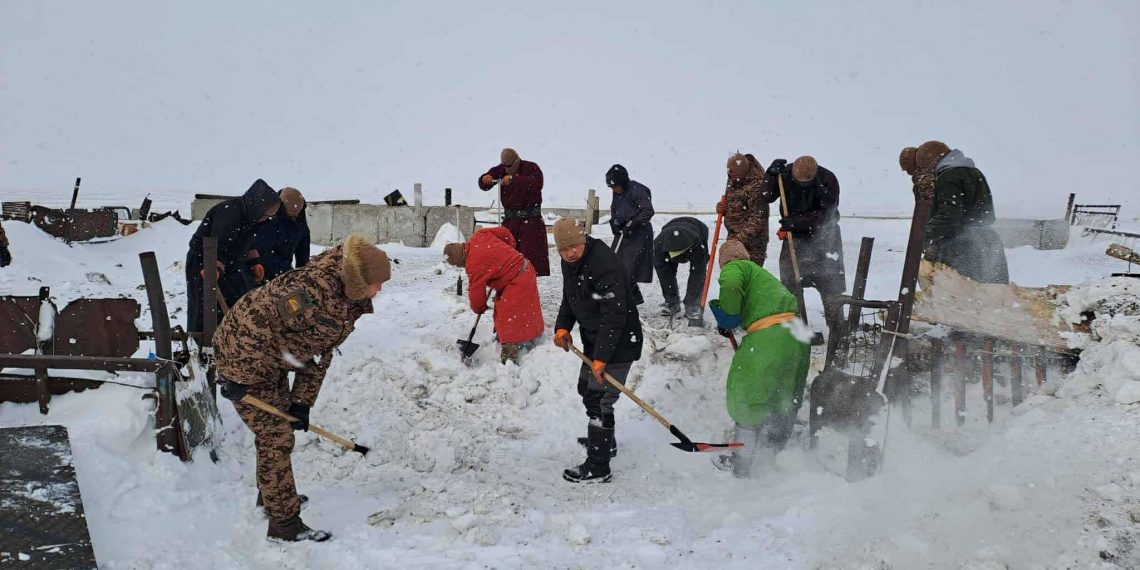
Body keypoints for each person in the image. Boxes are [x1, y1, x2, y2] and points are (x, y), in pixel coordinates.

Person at [214, 234, 391, 542]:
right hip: (246, 361)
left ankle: (272, 497)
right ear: (359, 281)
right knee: (276, 438)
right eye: (377, 284)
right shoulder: (308, 293)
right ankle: (284, 525)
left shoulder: (344, 294)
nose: (380, 290)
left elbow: (318, 352)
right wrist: (234, 376)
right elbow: (255, 322)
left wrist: (302, 403)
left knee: (278, 430)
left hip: (273, 359)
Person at [550, 218, 643, 483]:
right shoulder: (570, 262)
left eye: (574, 248)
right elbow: (570, 298)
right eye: (563, 250)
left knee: (599, 400)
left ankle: (599, 465)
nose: (569, 254)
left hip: (620, 341)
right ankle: (604, 441)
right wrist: (562, 328)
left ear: (584, 241)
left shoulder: (604, 264)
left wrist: (602, 358)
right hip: (595, 340)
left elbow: (615, 316)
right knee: (586, 389)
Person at [708, 240, 810, 478]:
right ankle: (775, 452)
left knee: (749, 392)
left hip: (770, 339)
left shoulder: (736, 266)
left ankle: (741, 463)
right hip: (796, 336)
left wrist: (728, 317)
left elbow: (731, 284)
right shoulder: (763, 277)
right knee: (783, 393)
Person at [763, 156, 847, 337]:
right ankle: (798, 331)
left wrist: (796, 222)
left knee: (830, 284)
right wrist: (770, 175)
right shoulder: (783, 175)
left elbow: (829, 212)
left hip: (825, 240)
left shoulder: (828, 179)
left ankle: (838, 333)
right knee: (790, 282)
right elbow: (766, 196)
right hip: (794, 239)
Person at [185, 179, 281, 336]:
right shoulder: (229, 214)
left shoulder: (250, 217)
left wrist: (254, 263)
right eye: (265, 214)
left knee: (239, 299)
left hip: (229, 264)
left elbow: (247, 243)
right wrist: (214, 268)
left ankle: (231, 337)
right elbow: (220, 244)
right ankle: (202, 344)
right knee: (204, 308)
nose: (266, 219)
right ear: (257, 206)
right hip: (204, 263)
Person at [444, 227, 544, 364]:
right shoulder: (479, 235)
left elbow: (476, 293)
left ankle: (510, 353)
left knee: (508, 315)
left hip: (518, 278)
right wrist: (507, 250)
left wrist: (479, 308)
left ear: (459, 261)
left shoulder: (473, 265)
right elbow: (505, 232)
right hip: (524, 269)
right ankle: (522, 336)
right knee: (513, 310)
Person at [915, 140, 1009, 284]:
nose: (927, 171)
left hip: (962, 246)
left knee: (958, 297)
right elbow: (985, 211)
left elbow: (949, 215)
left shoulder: (949, 177)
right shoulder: (973, 172)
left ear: (934, 161)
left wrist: (924, 236)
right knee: (992, 296)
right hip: (988, 241)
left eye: (926, 167)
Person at [478, 148, 550, 277]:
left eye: (509, 166)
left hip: (531, 222)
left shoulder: (531, 167)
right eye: (505, 166)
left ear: (516, 160)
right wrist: (485, 178)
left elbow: (537, 183)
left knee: (530, 263)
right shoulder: (501, 169)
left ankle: (527, 289)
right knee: (508, 260)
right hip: (511, 223)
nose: (507, 169)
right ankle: (509, 289)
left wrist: (513, 179)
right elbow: (485, 184)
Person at [606, 164, 655, 305]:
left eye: (615, 186)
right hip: (623, 232)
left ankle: (628, 298)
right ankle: (634, 295)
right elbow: (614, 208)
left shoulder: (637, 191)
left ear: (623, 182)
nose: (613, 190)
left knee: (629, 266)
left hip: (639, 233)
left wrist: (633, 223)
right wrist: (614, 222)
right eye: (611, 187)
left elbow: (648, 211)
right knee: (613, 262)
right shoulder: (616, 191)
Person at [651, 216, 709, 324]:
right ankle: (672, 303)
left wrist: (691, 302)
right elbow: (663, 274)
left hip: (698, 229)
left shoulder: (697, 243)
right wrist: (671, 299)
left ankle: (692, 305)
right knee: (665, 272)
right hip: (669, 230)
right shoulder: (658, 245)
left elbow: (698, 274)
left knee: (698, 271)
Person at [250, 187, 311, 283]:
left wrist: (302, 273)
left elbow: (303, 246)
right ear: (282, 208)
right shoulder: (269, 219)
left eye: (298, 213)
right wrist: (286, 272)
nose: (296, 216)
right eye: (291, 214)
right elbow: (265, 254)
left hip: (285, 268)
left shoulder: (299, 215)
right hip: (264, 273)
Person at [720, 152, 770, 266]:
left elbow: (758, 219)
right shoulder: (733, 178)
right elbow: (734, 203)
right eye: (729, 172)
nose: (729, 176)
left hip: (752, 244)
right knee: (733, 276)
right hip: (734, 238)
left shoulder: (757, 186)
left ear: (742, 172)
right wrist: (723, 208)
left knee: (750, 278)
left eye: (733, 173)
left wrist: (738, 240)